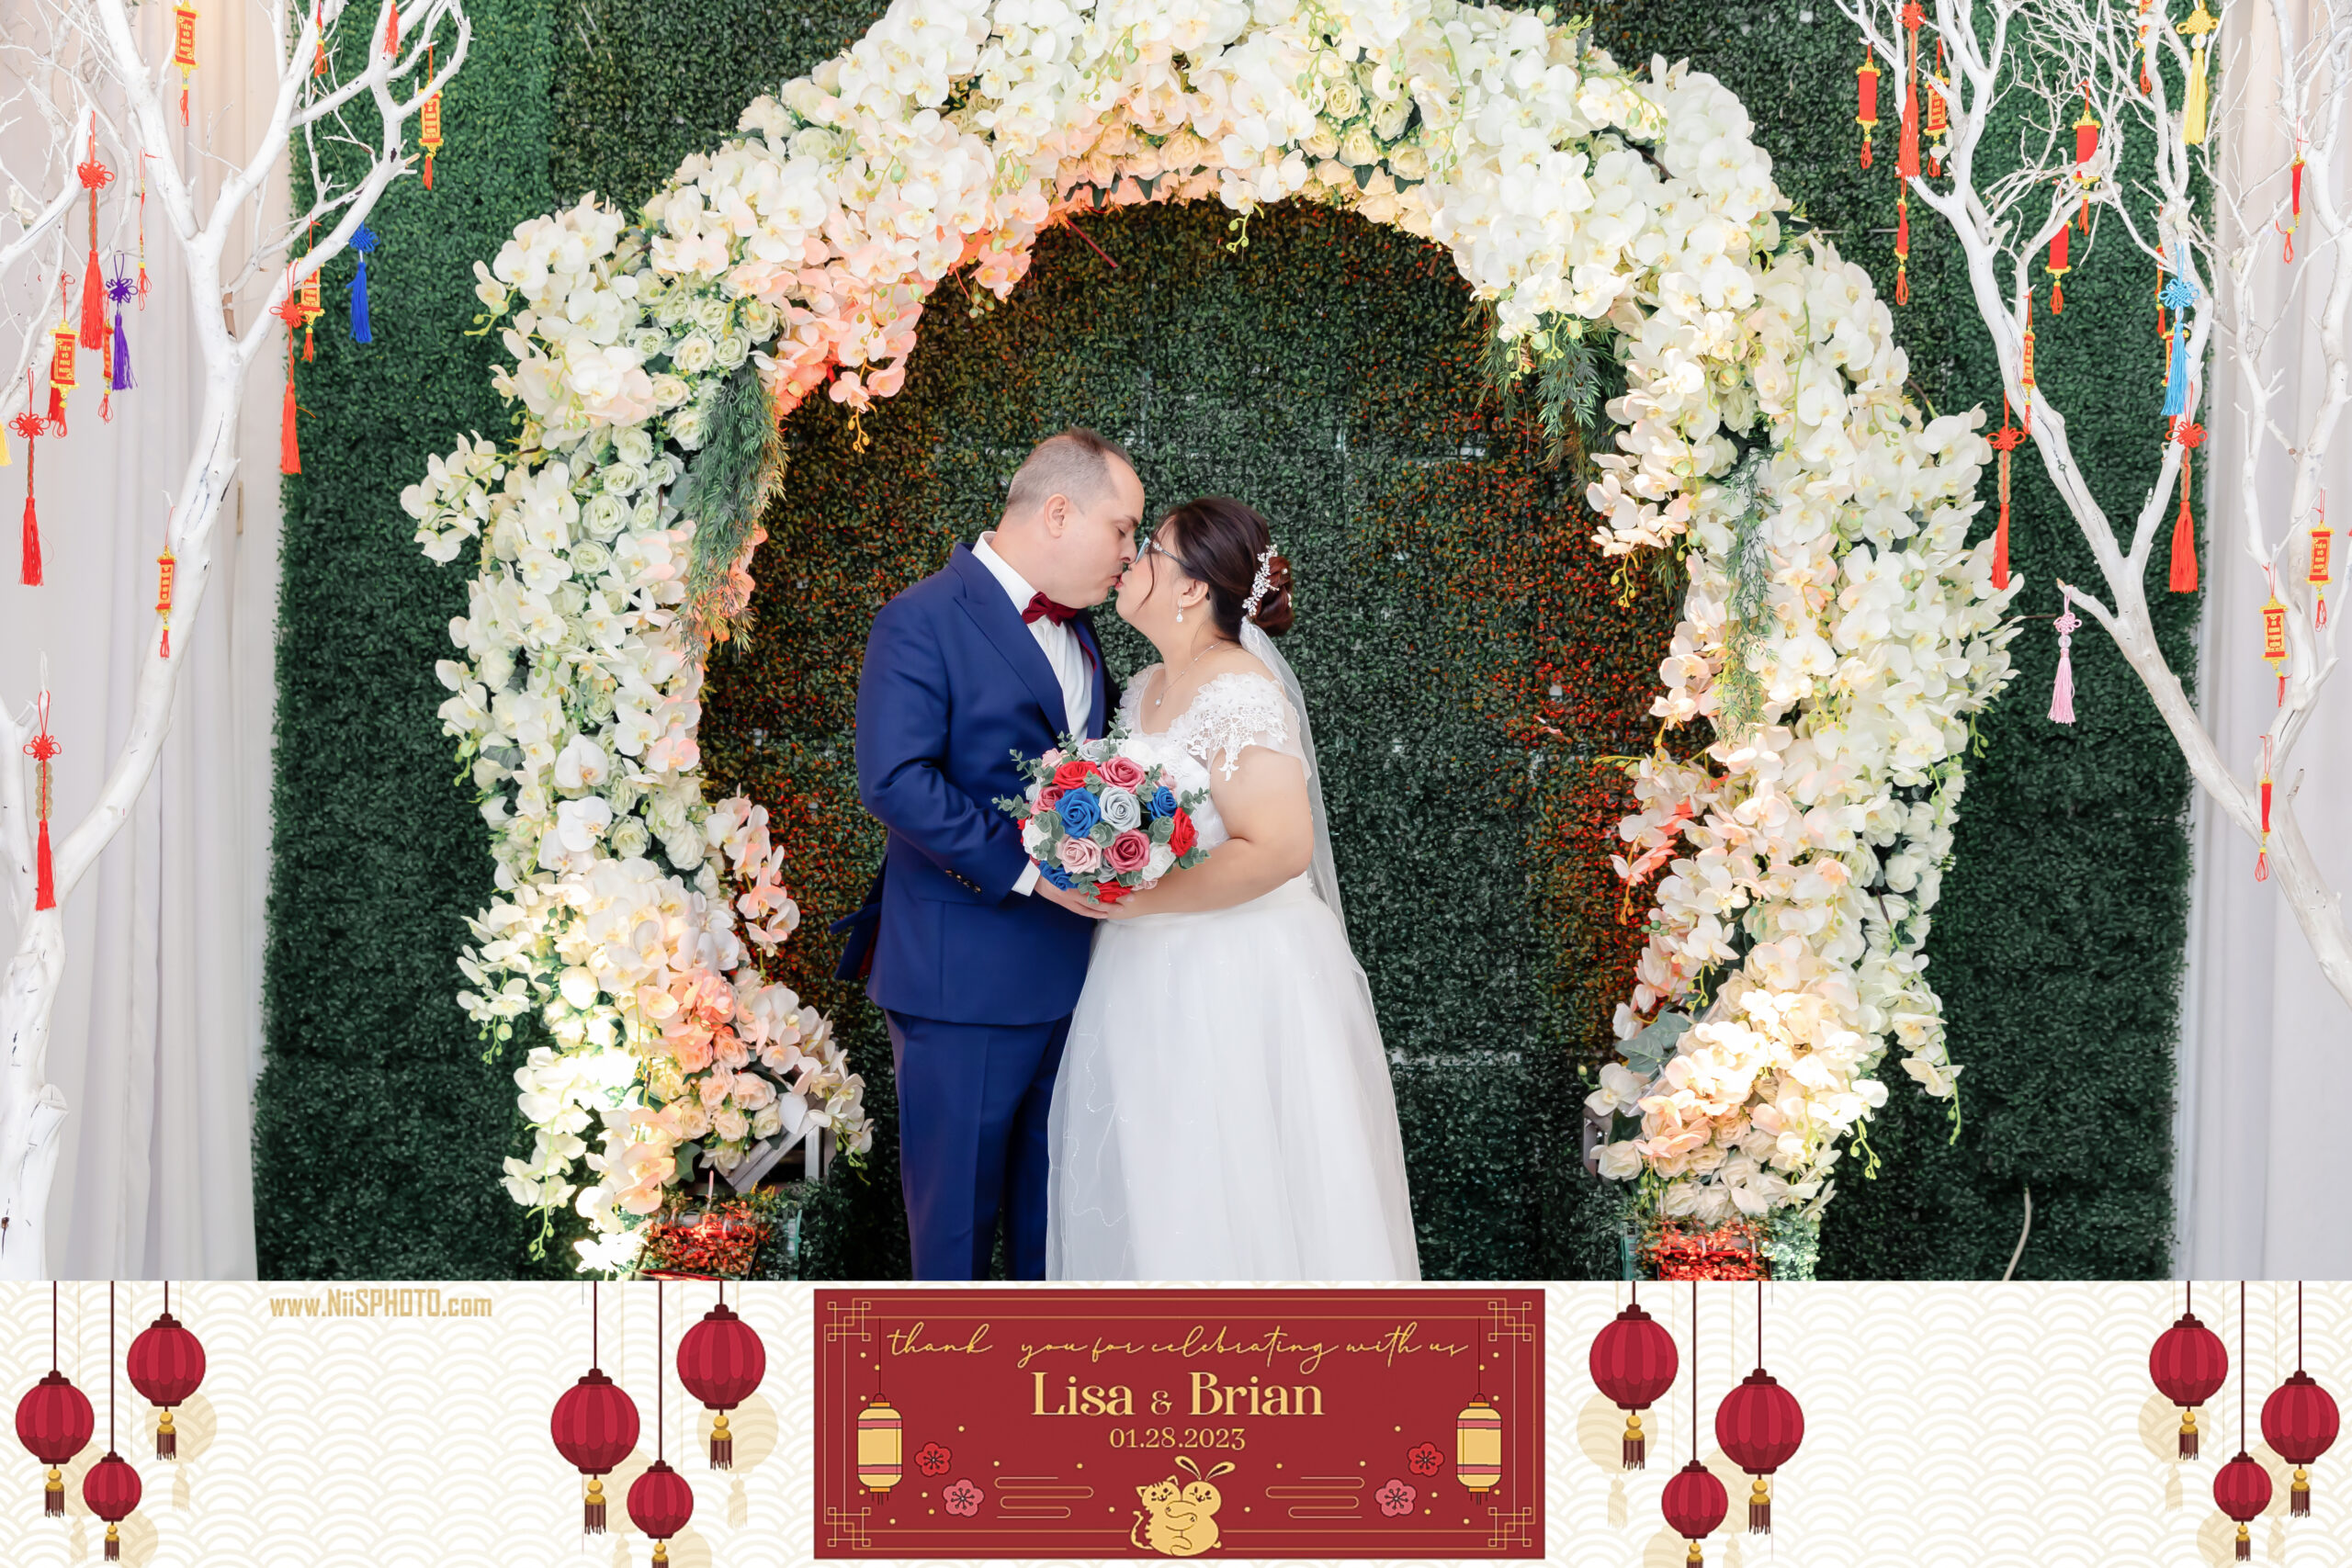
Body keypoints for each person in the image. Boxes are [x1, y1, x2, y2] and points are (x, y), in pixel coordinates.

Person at [1045, 496, 1420, 1280]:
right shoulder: (1143, 686)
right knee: (1159, 1180)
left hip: (1234, 976)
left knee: (1235, 1178)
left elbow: (1280, 846)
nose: (1131, 559)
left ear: (1191, 587)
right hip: (1139, 972)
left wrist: (1142, 900)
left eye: (1150, 547)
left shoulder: (1241, 691)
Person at [842, 428, 1142, 1280]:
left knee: (1054, 1237)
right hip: (960, 983)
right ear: (1059, 512)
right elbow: (895, 779)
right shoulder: (920, 618)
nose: (1130, 552)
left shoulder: (1085, 634)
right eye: (1122, 528)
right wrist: (1032, 871)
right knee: (955, 1246)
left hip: (1075, 982)